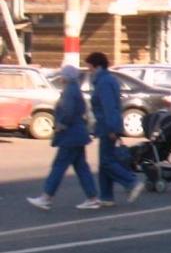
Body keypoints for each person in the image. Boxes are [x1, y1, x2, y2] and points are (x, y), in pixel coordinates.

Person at [26, 65, 100, 211]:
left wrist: (61, 124)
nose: (61, 77)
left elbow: (68, 111)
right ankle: (92, 198)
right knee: (81, 167)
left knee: (59, 166)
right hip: (78, 134)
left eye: (63, 74)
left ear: (67, 76)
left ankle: (47, 197)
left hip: (70, 134)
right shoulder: (74, 89)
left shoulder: (69, 91)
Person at [84, 51, 144, 209]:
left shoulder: (104, 83)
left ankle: (131, 182)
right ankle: (106, 196)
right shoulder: (107, 80)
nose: (89, 71)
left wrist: (112, 128)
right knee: (105, 162)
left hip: (107, 126)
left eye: (90, 67)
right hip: (107, 125)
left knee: (106, 161)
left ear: (97, 66)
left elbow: (109, 107)